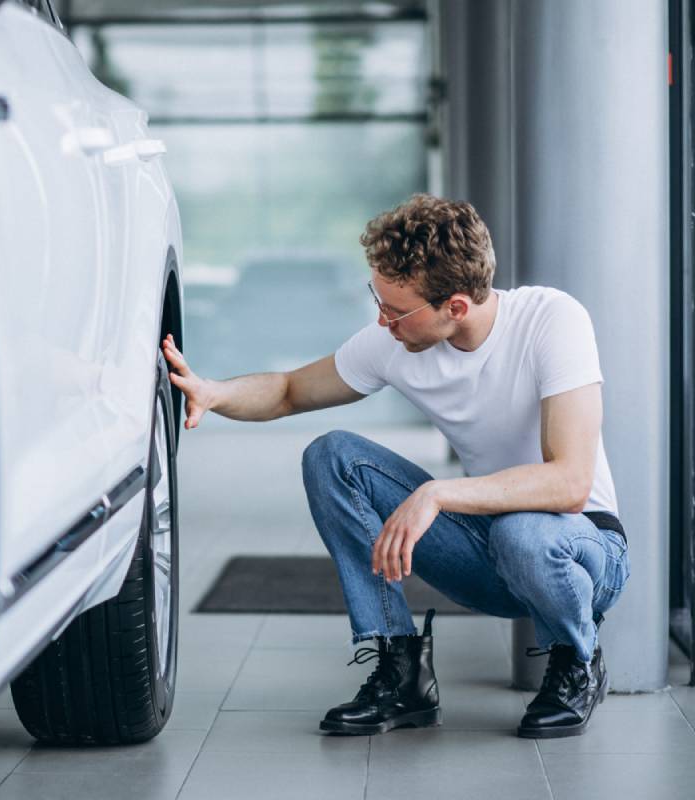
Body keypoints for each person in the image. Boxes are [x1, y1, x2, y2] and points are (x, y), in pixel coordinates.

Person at [162, 194, 630, 739]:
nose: (382, 320)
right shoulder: (396, 342)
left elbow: (570, 483)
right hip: (488, 551)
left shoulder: (551, 320)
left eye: (396, 311)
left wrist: (437, 494)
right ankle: (403, 674)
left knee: (523, 533)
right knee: (332, 455)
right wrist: (214, 392)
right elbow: (288, 390)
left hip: (584, 551)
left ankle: (577, 659)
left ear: (455, 307)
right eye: (377, 300)